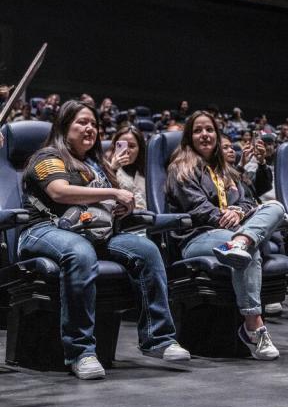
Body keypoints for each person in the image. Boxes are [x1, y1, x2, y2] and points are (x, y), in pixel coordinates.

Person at [18, 100, 189, 379]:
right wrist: (111, 194)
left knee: (146, 250)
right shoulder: (48, 156)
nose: (90, 128)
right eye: (82, 122)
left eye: (94, 125)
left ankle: (158, 339)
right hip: (42, 229)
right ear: (64, 126)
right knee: (80, 252)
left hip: (92, 233)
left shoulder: (95, 165)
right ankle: (81, 352)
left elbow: (104, 205)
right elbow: (59, 192)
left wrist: (123, 207)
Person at [165, 110, 287, 360]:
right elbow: (197, 207)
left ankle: (241, 241)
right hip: (197, 237)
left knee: (276, 207)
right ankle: (254, 325)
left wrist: (237, 212)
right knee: (248, 250)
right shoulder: (181, 168)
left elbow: (246, 202)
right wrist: (226, 218)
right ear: (189, 137)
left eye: (209, 129)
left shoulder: (226, 171)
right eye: (198, 130)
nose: (205, 134)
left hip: (231, 234)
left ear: (217, 135)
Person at [105, 125, 147, 210]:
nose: (126, 150)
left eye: (131, 146)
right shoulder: (105, 166)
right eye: (121, 146)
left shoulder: (149, 169)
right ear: (114, 146)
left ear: (140, 149)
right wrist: (112, 169)